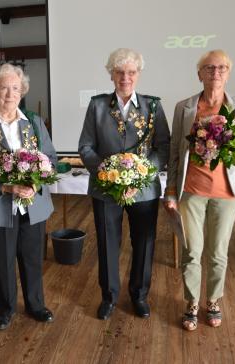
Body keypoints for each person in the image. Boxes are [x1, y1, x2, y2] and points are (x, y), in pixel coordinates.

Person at [164, 49, 235, 331]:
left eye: (221, 68)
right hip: (191, 190)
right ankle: (192, 303)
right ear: (199, 74)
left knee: (218, 252)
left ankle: (213, 301)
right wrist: (170, 190)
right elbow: (174, 152)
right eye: (209, 68)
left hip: (227, 193)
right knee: (192, 251)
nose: (215, 73)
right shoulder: (185, 106)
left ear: (228, 72)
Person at [78, 48, 170, 320]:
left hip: (144, 190)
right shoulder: (97, 106)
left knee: (144, 242)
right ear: (111, 75)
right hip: (106, 189)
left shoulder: (153, 106)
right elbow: (85, 147)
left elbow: (163, 146)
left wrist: (141, 174)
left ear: (138, 74)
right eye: (119, 72)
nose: (125, 77)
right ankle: (109, 297)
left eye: (131, 72)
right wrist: (106, 172)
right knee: (108, 243)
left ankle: (139, 296)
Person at [0, 64, 57, 330]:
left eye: (15, 88)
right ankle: (6, 309)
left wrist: (35, 182)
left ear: (22, 91)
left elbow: (50, 158)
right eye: (4, 87)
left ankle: (35, 305)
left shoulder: (34, 122)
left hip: (34, 203)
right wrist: (4, 187)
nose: (10, 93)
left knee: (32, 257)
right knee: (4, 260)